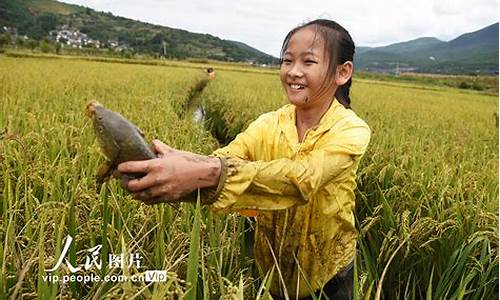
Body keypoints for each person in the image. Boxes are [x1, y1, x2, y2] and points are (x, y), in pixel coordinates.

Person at [118, 19, 371, 300]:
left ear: (342, 72)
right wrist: (181, 163)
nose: (293, 72)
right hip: (273, 274)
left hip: (330, 278)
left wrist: (207, 171)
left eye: (308, 62)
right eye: (287, 61)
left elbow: (303, 178)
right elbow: (227, 157)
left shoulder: (351, 130)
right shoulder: (267, 124)